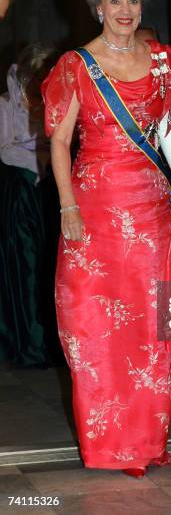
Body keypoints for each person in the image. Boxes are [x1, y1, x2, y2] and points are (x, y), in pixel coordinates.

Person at [42, 0, 171, 476]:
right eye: (115, 2)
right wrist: (67, 206)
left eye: (133, 1)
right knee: (97, 329)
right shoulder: (75, 66)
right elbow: (60, 143)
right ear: (98, 7)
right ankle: (108, 445)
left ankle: (148, 440)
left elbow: (169, 136)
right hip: (94, 213)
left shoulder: (161, 61)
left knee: (154, 327)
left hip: (152, 215)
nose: (125, 11)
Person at [0, 43, 60, 367]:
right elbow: (5, 150)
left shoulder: (54, 103)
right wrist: (41, 158)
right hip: (21, 196)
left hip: (48, 193)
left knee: (51, 266)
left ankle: (53, 341)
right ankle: (30, 342)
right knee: (26, 265)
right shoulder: (5, 104)